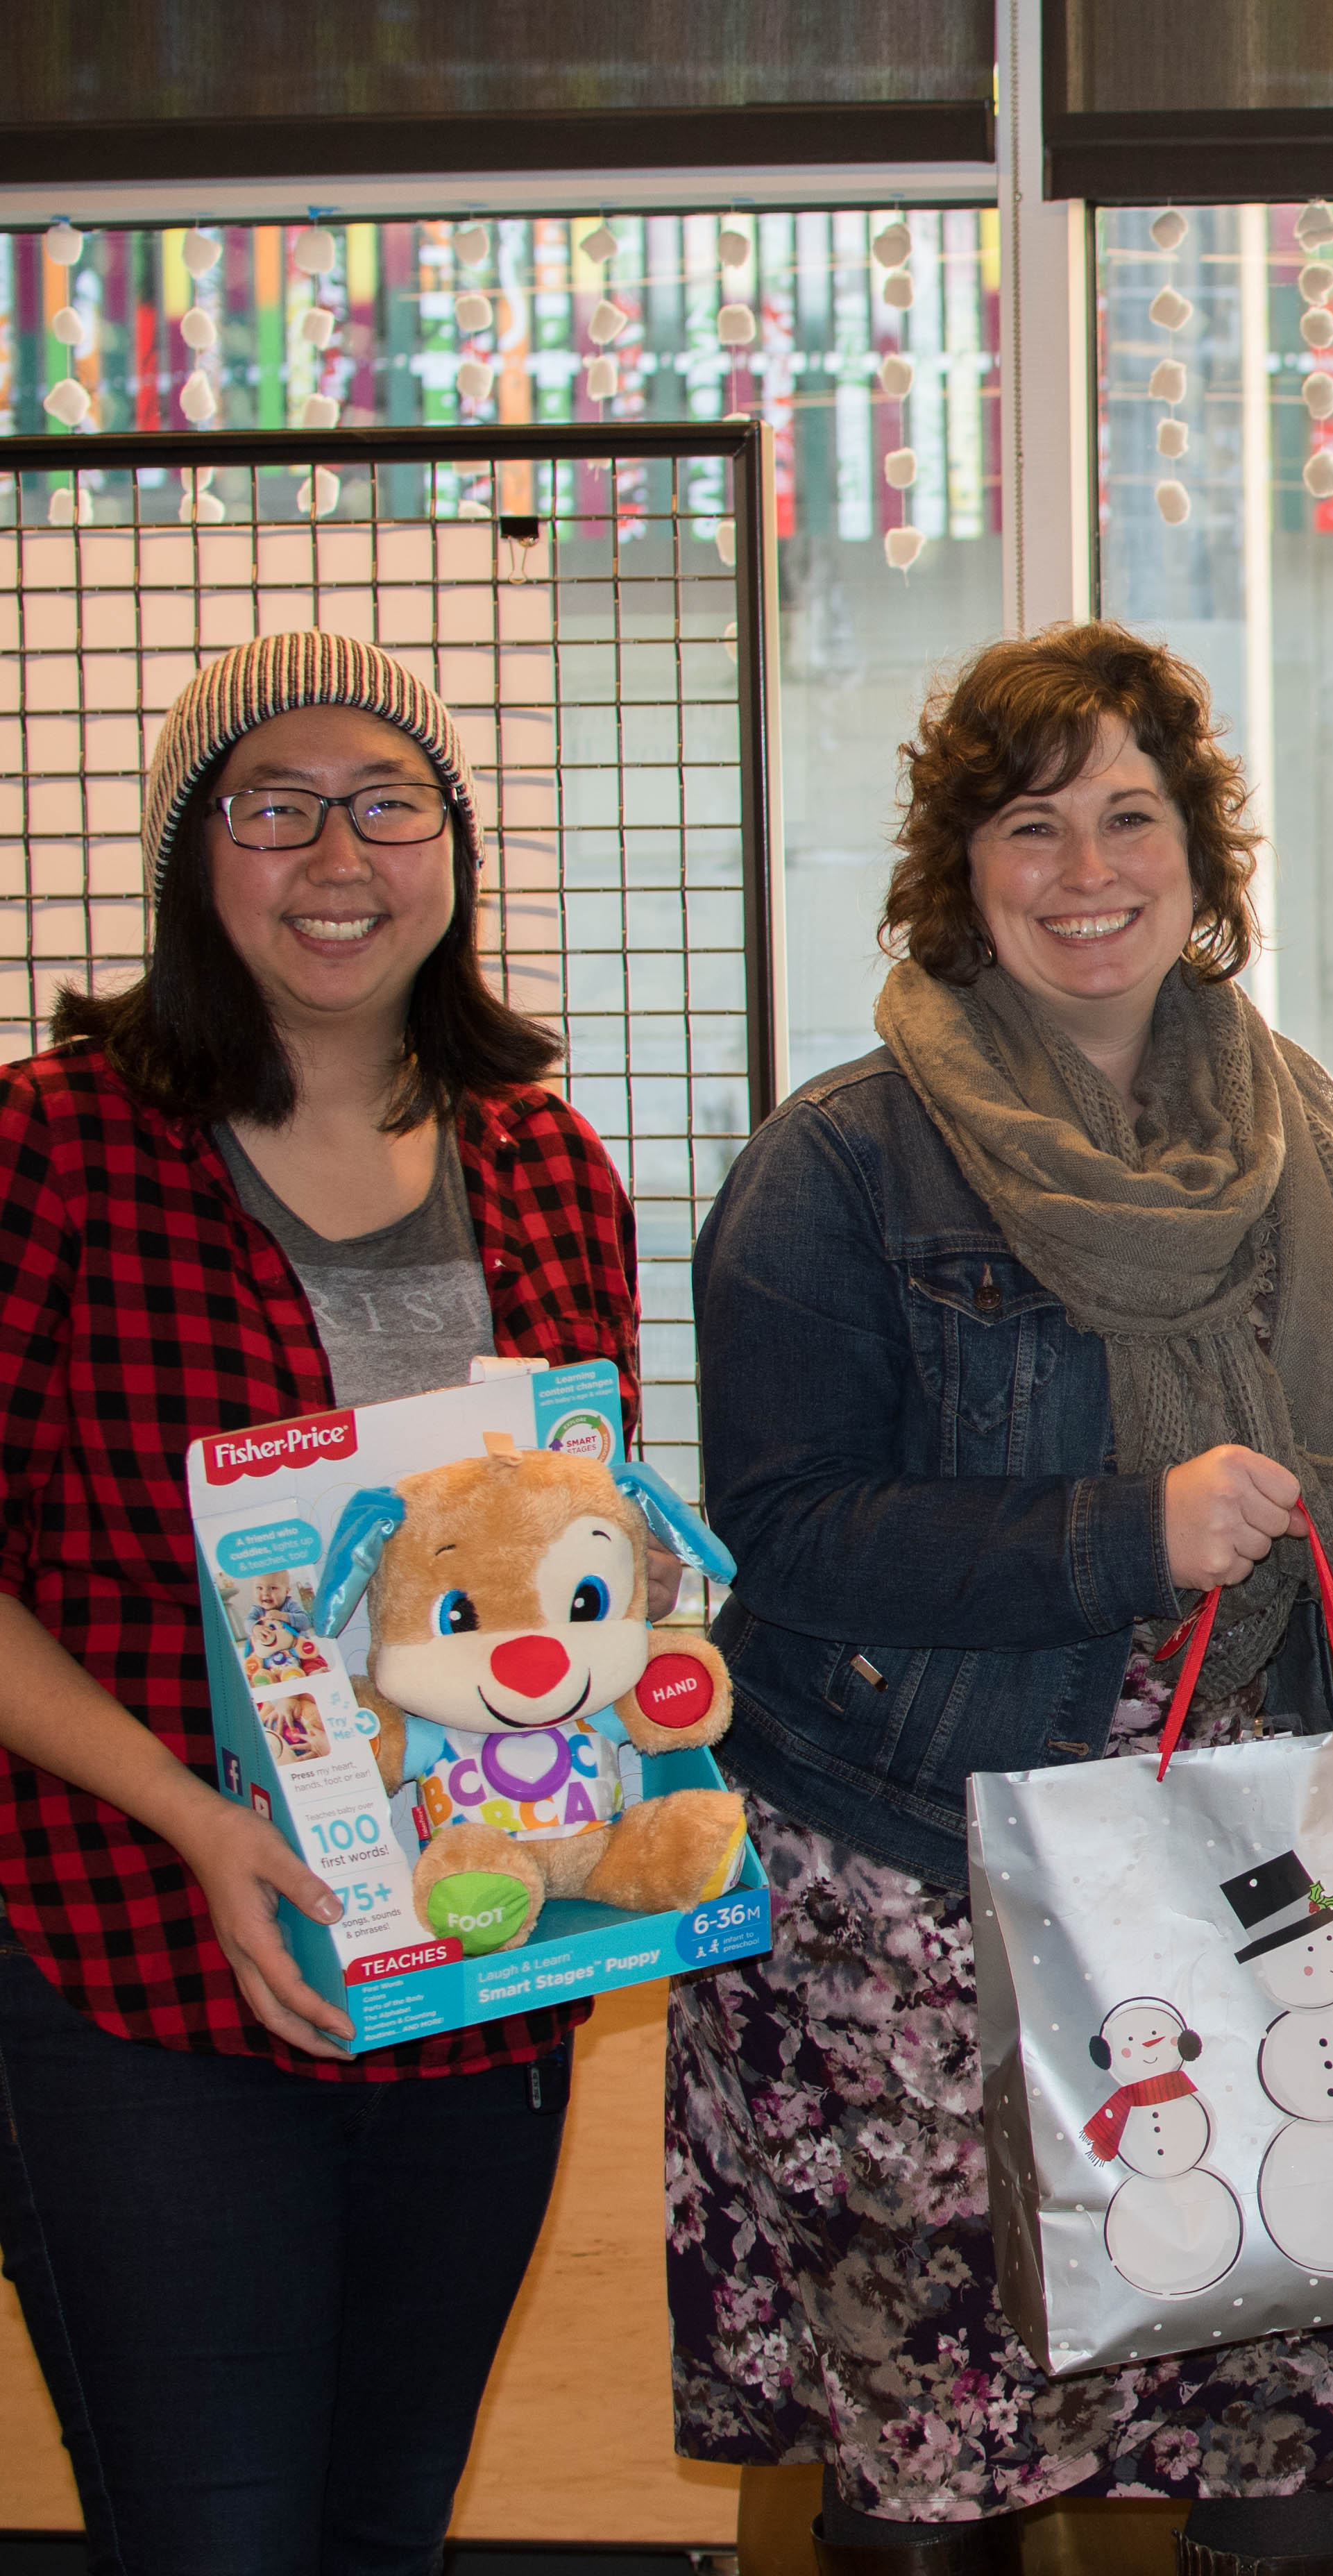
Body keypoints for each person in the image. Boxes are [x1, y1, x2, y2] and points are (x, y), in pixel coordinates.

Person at [668, 625, 1333, 2576]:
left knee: (1300, 2463)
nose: (1088, 869)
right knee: (946, 2473)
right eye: (1029, 823)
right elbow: (789, 1528)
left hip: (1251, 1880)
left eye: (1129, 814)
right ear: (957, 869)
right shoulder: (834, 1162)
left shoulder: (1299, 1129)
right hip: (924, 1898)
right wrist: (1118, 1534)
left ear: (1199, 852)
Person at [0, 632, 640, 2567]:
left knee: (385, 2527)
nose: (335, 855)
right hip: (138, 1959)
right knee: (216, 2539)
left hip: (474, 1964)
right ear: (199, 860)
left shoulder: (544, 1164)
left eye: (388, 803)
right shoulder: (52, 1147)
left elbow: (576, 1562)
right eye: (273, 809)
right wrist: (201, 1822)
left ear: (451, 850)